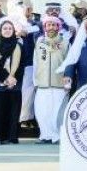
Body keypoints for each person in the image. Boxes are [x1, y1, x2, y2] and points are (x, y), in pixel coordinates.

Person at [0, 20, 24, 145]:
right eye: (5, 28)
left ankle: (11, 136)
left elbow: (22, 64)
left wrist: (13, 78)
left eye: (10, 29)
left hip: (14, 82)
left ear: (13, 31)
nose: (7, 31)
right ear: (0, 31)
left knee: (13, 111)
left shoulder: (19, 46)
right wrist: (6, 78)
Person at [32, 16, 68, 144]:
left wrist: (67, 82)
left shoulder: (65, 42)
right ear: (45, 27)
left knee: (57, 112)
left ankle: (57, 136)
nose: (51, 27)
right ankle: (45, 135)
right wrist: (35, 81)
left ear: (58, 27)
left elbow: (69, 63)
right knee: (42, 111)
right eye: (48, 25)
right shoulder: (39, 41)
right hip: (42, 83)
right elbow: (35, 62)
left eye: (54, 25)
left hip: (59, 83)